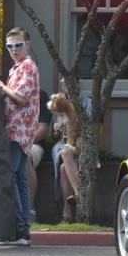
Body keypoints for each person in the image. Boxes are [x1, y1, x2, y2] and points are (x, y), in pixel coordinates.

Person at [0, 27, 39, 247]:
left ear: (28, 44)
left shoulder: (27, 66)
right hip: (18, 130)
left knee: (10, 176)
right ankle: (22, 232)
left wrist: (2, 87)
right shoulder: (17, 68)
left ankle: (19, 229)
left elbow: (21, 98)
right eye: (9, 46)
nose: (14, 49)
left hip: (18, 130)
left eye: (18, 45)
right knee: (20, 178)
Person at [48, 93, 84, 223]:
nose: (65, 84)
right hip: (61, 144)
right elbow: (55, 137)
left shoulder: (84, 103)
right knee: (64, 155)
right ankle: (78, 195)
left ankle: (68, 208)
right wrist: (56, 130)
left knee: (64, 164)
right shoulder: (57, 104)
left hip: (77, 144)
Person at [26, 89, 51, 223]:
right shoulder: (8, 93)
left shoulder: (41, 96)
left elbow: (42, 129)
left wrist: (25, 142)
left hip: (33, 144)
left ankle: (30, 211)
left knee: (25, 157)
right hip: (9, 143)